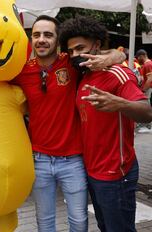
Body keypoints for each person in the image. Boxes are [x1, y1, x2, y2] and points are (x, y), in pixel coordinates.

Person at [11, 15, 125, 232]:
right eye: (36, 35)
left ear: (57, 40)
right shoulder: (22, 70)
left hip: (73, 160)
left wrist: (111, 58)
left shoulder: (72, 62)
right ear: (31, 38)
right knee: (44, 222)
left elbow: (117, 54)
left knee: (79, 222)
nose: (41, 40)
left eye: (48, 35)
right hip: (39, 159)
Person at [59, 15, 152, 232]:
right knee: (105, 227)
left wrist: (119, 103)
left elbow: (147, 112)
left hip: (116, 173)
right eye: (71, 51)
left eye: (80, 48)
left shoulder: (117, 74)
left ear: (97, 44)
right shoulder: (83, 75)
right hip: (91, 171)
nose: (75, 55)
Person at [135, 49, 152, 132]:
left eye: (138, 58)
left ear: (142, 56)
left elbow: (150, 79)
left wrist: (143, 90)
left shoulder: (148, 64)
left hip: (148, 88)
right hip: (148, 88)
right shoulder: (147, 64)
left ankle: (148, 126)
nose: (138, 60)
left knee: (146, 106)